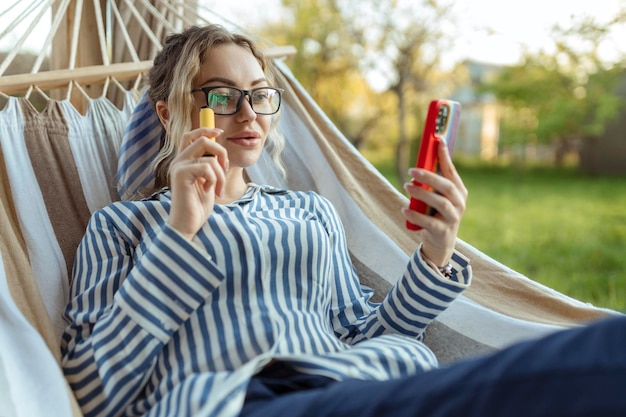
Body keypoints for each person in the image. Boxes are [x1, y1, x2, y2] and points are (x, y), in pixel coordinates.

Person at [61, 24, 625, 417]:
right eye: (222, 97)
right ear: (169, 112)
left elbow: (368, 334)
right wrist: (181, 234)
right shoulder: (123, 227)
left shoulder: (308, 211)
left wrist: (436, 251)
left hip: (358, 384)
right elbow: (95, 392)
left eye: (260, 96)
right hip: (235, 402)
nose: (249, 115)